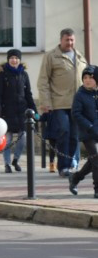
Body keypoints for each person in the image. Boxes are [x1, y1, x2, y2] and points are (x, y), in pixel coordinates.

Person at [37, 28, 87, 177]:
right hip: (58, 104)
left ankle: (71, 163)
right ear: (61, 40)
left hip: (77, 105)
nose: (70, 43)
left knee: (74, 136)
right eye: (67, 40)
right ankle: (63, 167)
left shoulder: (79, 57)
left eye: (72, 40)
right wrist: (45, 102)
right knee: (63, 132)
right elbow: (43, 81)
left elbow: (87, 81)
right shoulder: (51, 57)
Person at [0, 48, 37, 173]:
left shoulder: (24, 74)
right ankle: (7, 164)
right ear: (8, 59)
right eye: (12, 58)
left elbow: (28, 94)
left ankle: (16, 160)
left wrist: (34, 111)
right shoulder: (2, 74)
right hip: (7, 111)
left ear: (20, 60)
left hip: (22, 112)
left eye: (17, 58)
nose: (14, 60)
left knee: (23, 138)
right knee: (7, 140)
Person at [69, 66, 98, 197]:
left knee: (93, 160)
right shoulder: (80, 95)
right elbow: (76, 114)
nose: (87, 80)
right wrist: (90, 126)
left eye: (91, 78)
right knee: (96, 158)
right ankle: (97, 189)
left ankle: (76, 178)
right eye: (85, 78)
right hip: (87, 133)